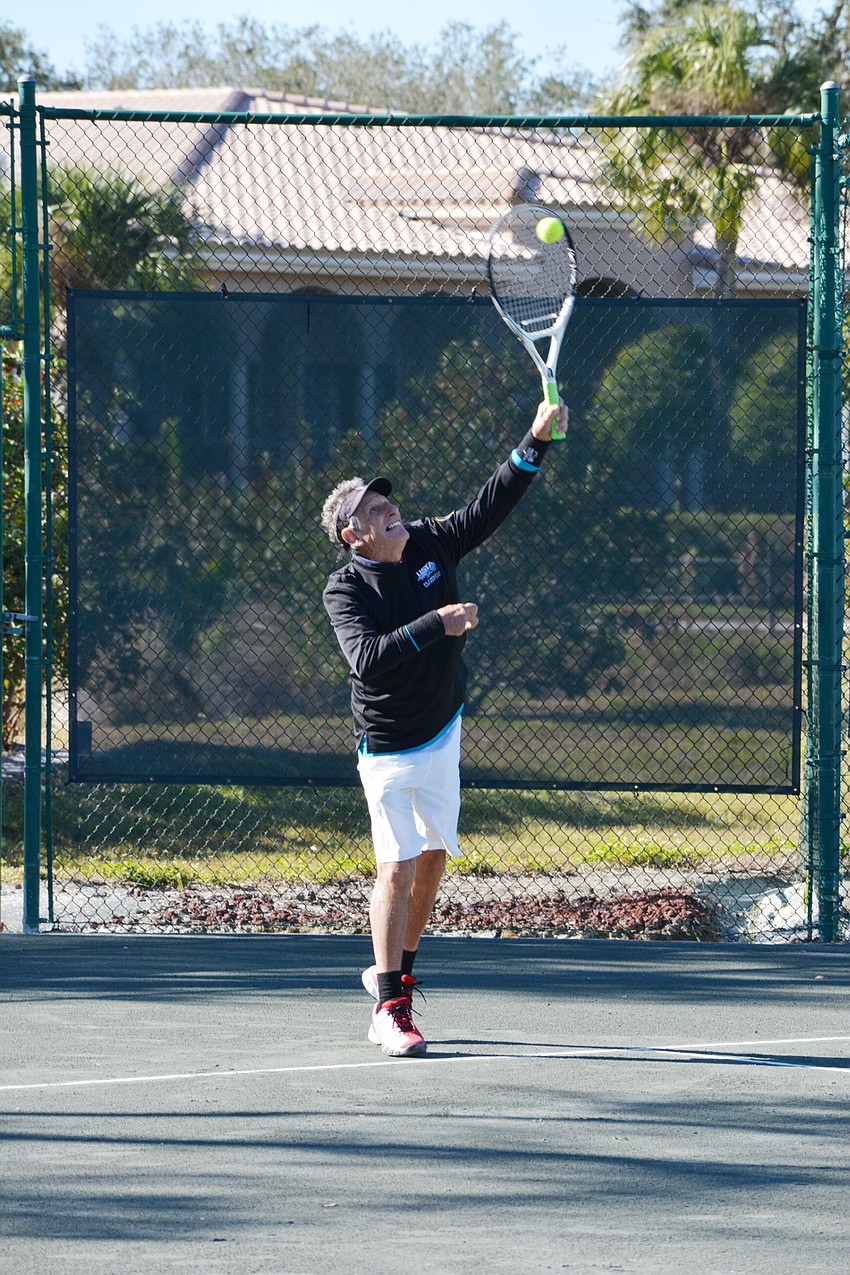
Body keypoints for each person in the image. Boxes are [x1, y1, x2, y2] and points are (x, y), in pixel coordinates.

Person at [321, 399, 566, 1056]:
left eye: (385, 501)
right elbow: (366, 659)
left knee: (431, 860)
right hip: (390, 749)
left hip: (442, 731)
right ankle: (390, 1007)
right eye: (372, 510)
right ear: (353, 536)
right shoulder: (344, 590)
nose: (386, 509)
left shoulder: (430, 539)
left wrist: (535, 441)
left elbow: (489, 505)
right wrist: (440, 622)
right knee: (395, 867)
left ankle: (390, 968)